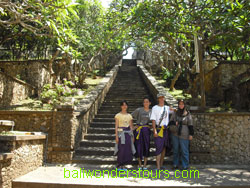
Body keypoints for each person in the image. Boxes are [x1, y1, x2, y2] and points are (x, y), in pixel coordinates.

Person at [150, 93, 175, 170]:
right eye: (160, 98)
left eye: (162, 98)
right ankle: (157, 167)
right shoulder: (154, 108)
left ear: (164, 98)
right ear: (158, 99)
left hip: (165, 130)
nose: (161, 99)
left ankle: (161, 165)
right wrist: (154, 131)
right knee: (158, 148)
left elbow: (175, 111)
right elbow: (153, 120)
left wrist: (173, 109)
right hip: (158, 129)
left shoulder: (167, 108)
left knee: (164, 148)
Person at [169, 100, 194, 170]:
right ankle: (175, 164)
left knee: (184, 150)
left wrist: (191, 134)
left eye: (182, 104)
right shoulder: (175, 113)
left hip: (184, 134)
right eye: (179, 104)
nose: (181, 105)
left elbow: (190, 124)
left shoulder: (188, 114)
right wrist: (174, 123)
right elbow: (170, 122)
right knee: (175, 150)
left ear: (184, 105)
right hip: (175, 134)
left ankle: (185, 165)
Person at [114, 100, 136, 170]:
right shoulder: (118, 115)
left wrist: (132, 136)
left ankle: (123, 165)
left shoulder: (129, 116)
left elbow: (131, 127)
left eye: (125, 105)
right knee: (121, 149)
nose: (124, 106)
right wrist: (116, 136)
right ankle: (119, 165)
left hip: (128, 134)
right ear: (121, 106)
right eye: (123, 105)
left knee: (127, 149)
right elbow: (116, 126)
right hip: (121, 134)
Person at [132, 97, 152, 170]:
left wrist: (152, 127)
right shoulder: (139, 110)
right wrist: (133, 126)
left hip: (146, 131)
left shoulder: (151, 111)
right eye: (144, 102)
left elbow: (154, 120)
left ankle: (145, 164)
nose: (145, 103)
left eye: (147, 102)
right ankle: (139, 164)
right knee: (139, 146)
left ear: (150, 103)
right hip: (139, 130)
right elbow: (130, 116)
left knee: (146, 146)